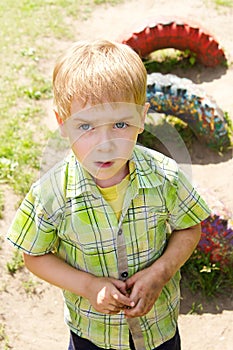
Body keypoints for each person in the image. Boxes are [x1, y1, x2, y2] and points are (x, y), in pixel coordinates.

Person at [7, 39, 210, 350]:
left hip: (159, 328)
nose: (105, 143)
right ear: (63, 123)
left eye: (119, 123)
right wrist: (88, 286)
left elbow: (189, 225)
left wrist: (162, 271)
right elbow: (34, 254)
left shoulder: (164, 175)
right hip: (93, 335)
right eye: (86, 126)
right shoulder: (51, 193)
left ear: (142, 118)